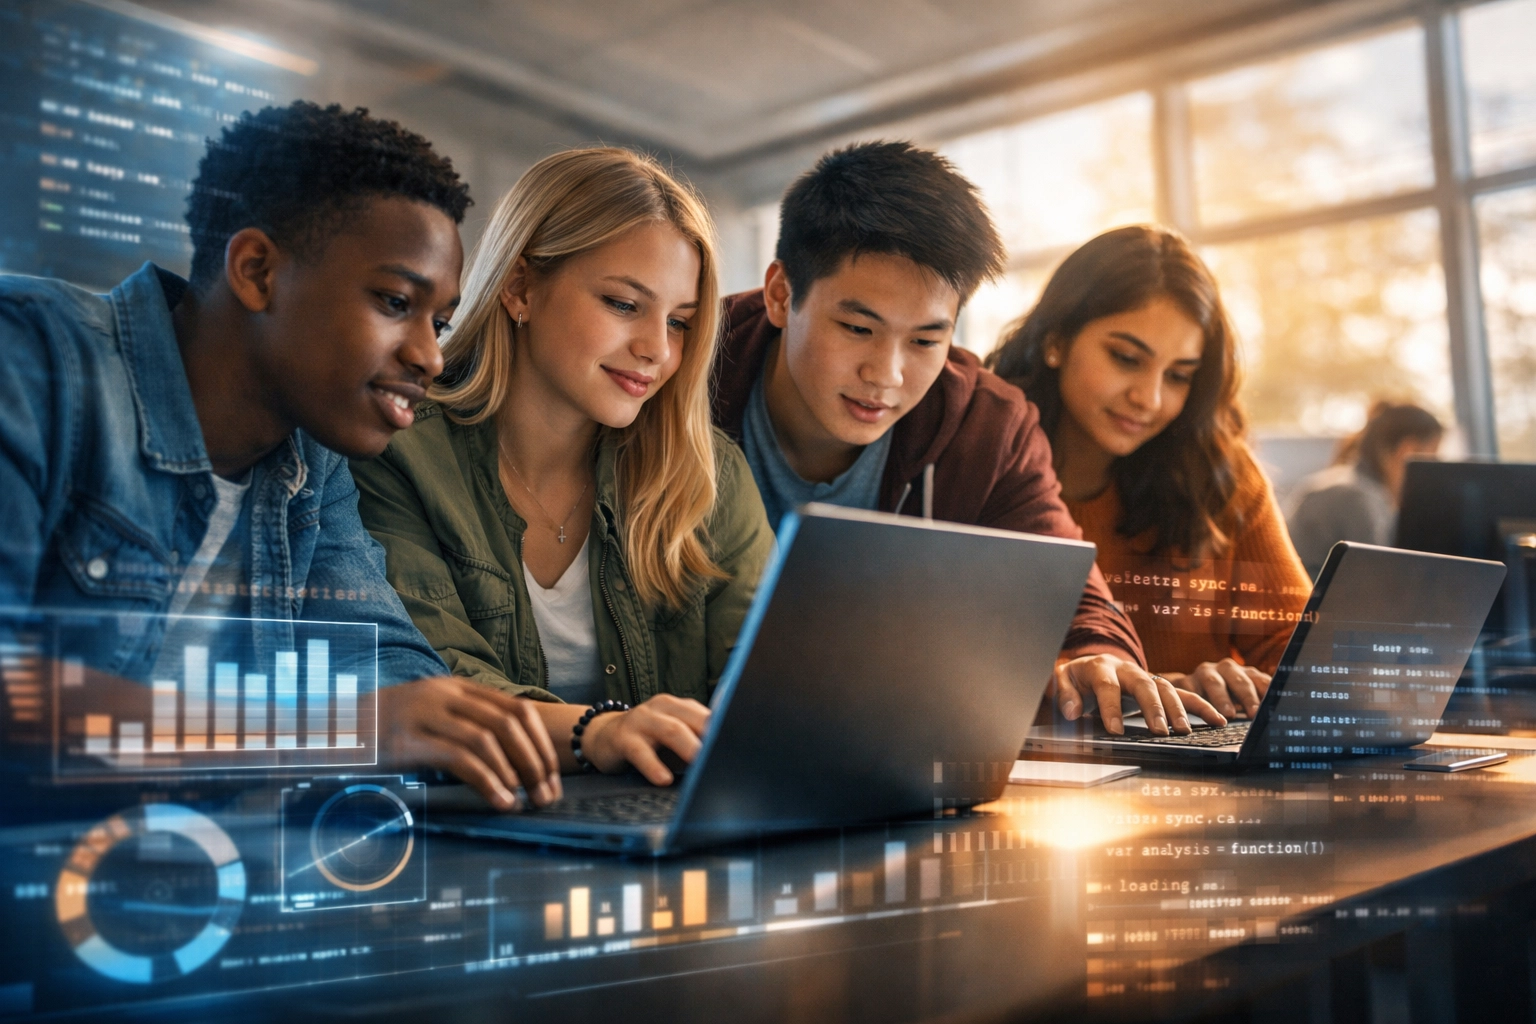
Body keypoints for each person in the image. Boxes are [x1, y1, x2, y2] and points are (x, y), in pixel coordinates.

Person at [0, 101, 564, 812]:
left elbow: (385, 674)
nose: (428, 355)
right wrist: (321, 729)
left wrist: (549, 737)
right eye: (395, 301)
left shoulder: (309, 463)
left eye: (440, 321)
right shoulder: (28, 359)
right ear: (258, 270)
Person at [710, 140, 1223, 738]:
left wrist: (1095, 651)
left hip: (875, 750)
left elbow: (1062, 583)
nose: (888, 376)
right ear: (780, 294)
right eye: (857, 327)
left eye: (926, 341)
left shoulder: (989, 425)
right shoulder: (679, 377)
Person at [351, 148, 774, 786]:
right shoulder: (396, 451)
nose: (656, 350)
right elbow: (428, 685)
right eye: (623, 304)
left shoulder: (707, 478)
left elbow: (769, 682)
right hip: (463, 834)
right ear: (521, 288)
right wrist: (599, 731)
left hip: (657, 829)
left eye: (680, 322)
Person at [987, 224, 1313, 725]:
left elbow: (1307, 661)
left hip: (1197, 790)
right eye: (1126, 358)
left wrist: (1224, 686)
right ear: (1055, 341)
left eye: (1179, 375)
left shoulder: (1219, 478)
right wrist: (1144, 693)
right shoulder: (980, 462)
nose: (1150, 398)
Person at [1285, 401, 1444, 577]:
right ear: (1407, 450)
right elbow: (1378, 582)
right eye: (1432, 456)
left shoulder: (1341, 482)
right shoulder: (1360, 499)